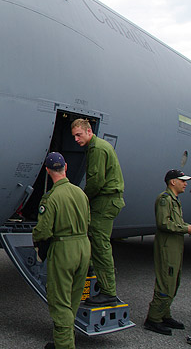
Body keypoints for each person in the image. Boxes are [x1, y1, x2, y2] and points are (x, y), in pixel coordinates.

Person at [33, 152, 91, 349]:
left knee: (60, 302)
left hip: (64, 249)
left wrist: (37, 240)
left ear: (48, 171)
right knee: (74, 299)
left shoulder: (51, 198)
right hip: (84, 247)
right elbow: (89, 221)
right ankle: (65, 340)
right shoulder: (80, 193)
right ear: (65, 166)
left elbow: (44, 230)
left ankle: (64, 346)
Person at [70, 118, 125, 306]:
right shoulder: (99, 146)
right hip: (107, 199)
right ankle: (91, 269)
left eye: (79, 135)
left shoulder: (97, 149)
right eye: (74, 136)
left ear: (89, 131)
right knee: (93, 237)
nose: (76, 139)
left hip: (105, 200)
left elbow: (96, 181)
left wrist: (82, 199)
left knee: (101, 245)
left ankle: (108, 292)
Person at [144, 169, 191, 335]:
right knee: (166, 282)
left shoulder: (174, 200)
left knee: (174, 281)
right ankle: (153, 318)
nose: (185, 183)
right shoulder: (164, 199)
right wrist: (185, 228)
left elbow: (175, 221)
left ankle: (164, 314)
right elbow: (163, 223)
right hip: (167, 249)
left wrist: (189, 227)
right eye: (182, 180)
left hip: (175, 248)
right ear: (172, 182)